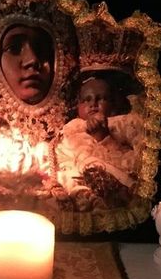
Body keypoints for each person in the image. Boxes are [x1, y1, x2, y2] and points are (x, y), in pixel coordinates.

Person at [56, 73, 143, 206]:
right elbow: (63, 161)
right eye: (87, 100)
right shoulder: (70, 130)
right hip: (82, 194)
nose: (93, 104)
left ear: (114, 103)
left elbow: (139, 164)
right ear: (78, 105)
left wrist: (104, 138)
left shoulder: (126, 123)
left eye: (101, 99)